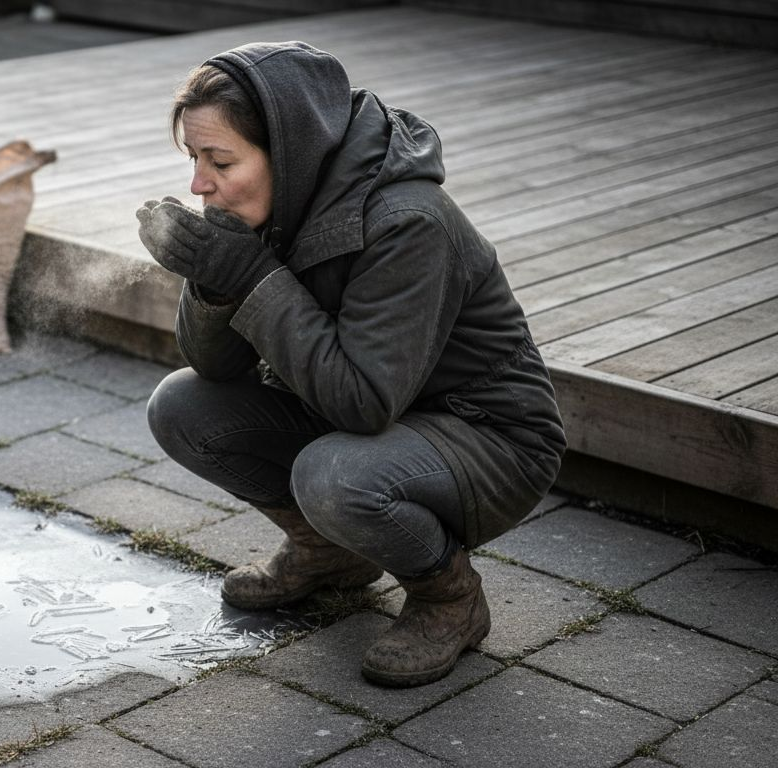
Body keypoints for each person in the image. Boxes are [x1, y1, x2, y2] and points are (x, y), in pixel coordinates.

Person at [137, 42, 566, 688]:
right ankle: (327, 553)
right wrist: (211, 281)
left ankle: (449, 597)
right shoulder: (276, 202)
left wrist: (250, 273)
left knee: (332, 475)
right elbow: (213, 366)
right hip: (374, 420)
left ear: (290, 150)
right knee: (182, 406)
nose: (199, 184)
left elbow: (362, 401)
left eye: (219, 160)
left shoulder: (407, 222)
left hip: (488, 438)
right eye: (194, 160)